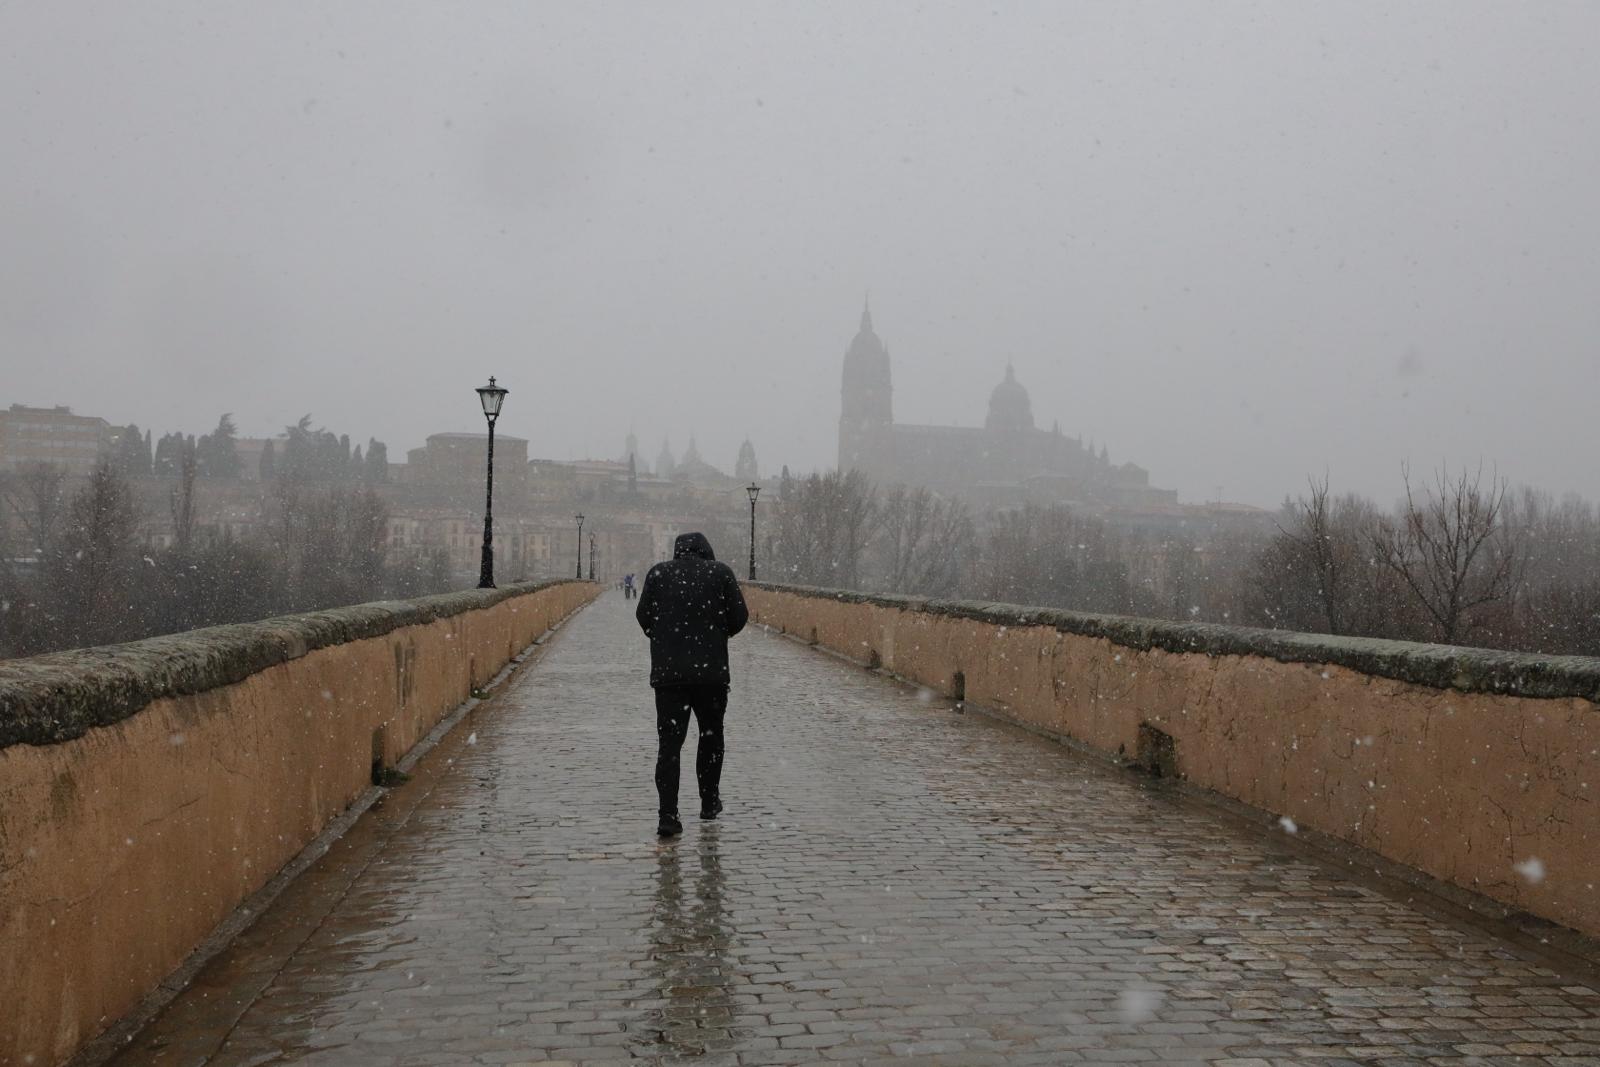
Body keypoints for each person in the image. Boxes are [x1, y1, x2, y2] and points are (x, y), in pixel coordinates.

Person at [635, 532, 748, 837]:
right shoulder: (721, 573)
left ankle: (668, 816)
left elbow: (643, 615)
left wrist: (664, 638)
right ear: (705, 550)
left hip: (669, 678)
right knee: (710, 737)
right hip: (711, 675)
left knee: (670, 746)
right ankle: (709, 801)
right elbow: (740, 617)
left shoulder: (659, 573)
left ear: (678, 551)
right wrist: (715, 636)